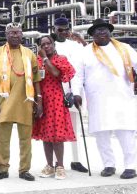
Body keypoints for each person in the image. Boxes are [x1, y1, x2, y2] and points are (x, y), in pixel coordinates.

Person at [70, 19, 137, 179]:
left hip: (122, 99)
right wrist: (76, 93)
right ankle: (109, 165)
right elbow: (77, 75)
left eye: (105, 29)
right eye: (98, 31)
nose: (102, 32)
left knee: (126, 134)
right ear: (92, 35)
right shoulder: (84, 52)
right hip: (98, 101)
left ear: (110, 32)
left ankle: (130, 166)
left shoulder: (124, 48)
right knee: (101, 135)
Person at [0, 22, 42, 181]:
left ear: (22, 34)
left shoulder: (29, 54)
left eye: (18, 32)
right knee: (3, 139)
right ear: (6, 34)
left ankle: (24, 170)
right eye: (11, 33)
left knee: (26, 139)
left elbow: (37, 79)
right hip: (4, 102)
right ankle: (2, 169)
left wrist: (39, 101)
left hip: (26, 102)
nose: (15, 35)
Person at [32, 35, 76, 180]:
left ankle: (60, 166)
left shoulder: (60, 59)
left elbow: (57, 74)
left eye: (48, 43)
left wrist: (45, 59)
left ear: (53, 44)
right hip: (41, 100)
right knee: (46, 134)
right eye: (43, 44)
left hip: (56, 100)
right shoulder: (36, 61)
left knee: (57, 135)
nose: (46, 46)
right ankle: (49, 165)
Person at [52, 17, 89, 174]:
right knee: (56, 127)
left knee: (75, 127)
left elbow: (87, 57)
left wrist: (80, 39)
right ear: (54, 29)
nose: (63, 32)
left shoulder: (75, 45)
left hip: (74, 88)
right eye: (60, 29)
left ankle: (76, 159)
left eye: (66, 29)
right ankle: (56, 161)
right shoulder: (49, 44)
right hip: (54, 89)